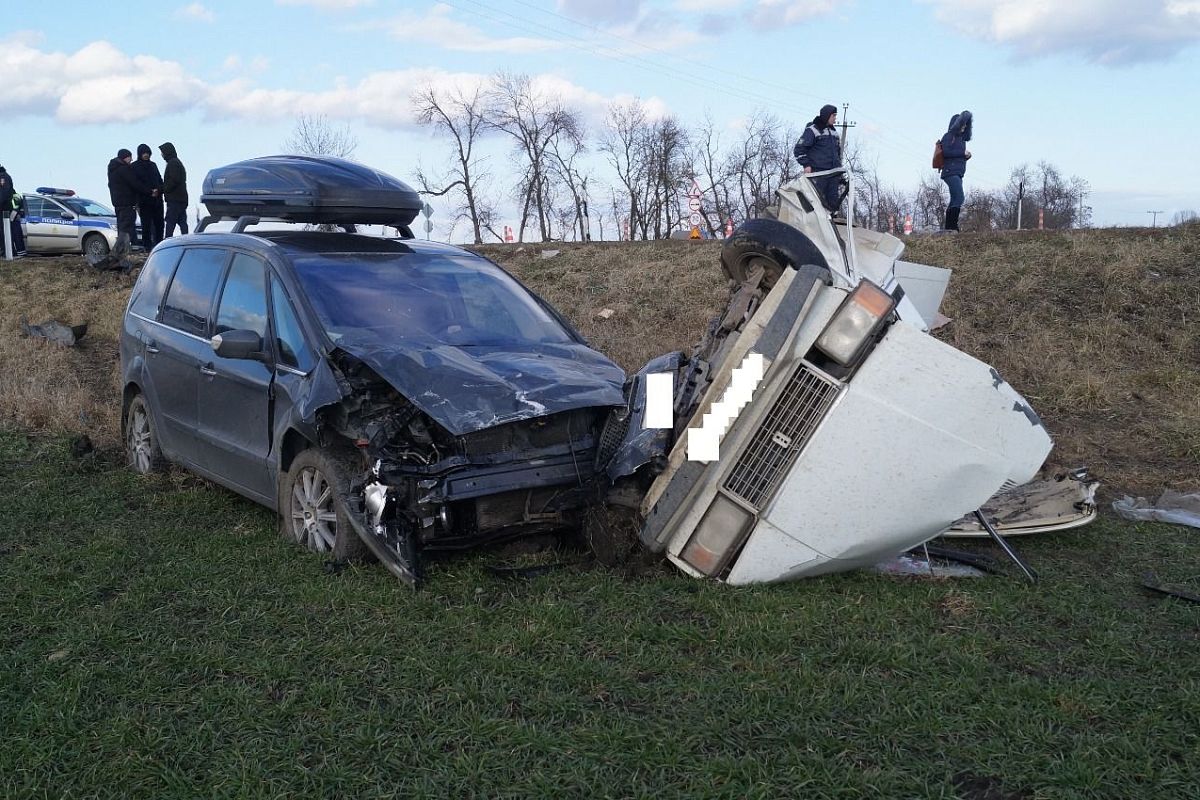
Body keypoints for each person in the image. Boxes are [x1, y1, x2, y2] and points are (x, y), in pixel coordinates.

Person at [794, 104, 843, 213]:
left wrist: (839, 173)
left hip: (833, 175)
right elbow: (799, 149)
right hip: (818, 174)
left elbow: (838, 154)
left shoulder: (834, 133)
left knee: (832, 205)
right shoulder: (812, 130)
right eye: (833, 116)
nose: (835, 119)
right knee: (815, 202)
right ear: (827, 116)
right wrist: (806, 164)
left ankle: (830, 224)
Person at [107, 148, 155, 248]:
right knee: (127, 225)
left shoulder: (112, 169)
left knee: (122, 225)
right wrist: (149, 191)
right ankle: (124, 247)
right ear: (125, 157)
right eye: (130, 157)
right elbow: (135, 183)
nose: (131, 159)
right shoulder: (124, 169)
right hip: (127, 201)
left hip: (117, 202)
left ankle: (129, 245)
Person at [939, 110, 973, 231]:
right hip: (950, 172)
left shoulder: (961, 140)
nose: (964, 127)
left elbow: (956, 156)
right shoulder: (948, 136)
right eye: (962, 124)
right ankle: (952, 226)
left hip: (957, 172)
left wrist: (966, 156)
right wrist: (962, 153)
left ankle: (949, 228)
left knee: (954, 199)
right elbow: (947, 152)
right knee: (959, 197)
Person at [131, 144, 165, 248]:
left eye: (147, 153)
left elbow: (160, 180)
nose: (146, 155)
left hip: (157, 200)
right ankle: (147, 247)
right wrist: (149, 192)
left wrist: (158, 190)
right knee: (146, 226)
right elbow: (136, 184)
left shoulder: (153, 165)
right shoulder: (135, 166)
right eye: (144, 153)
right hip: (144, 201)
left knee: (159, 224)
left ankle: (159, 245)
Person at [159, 141, 189, 237]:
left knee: (170, 222)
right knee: (182, 222)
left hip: (175, 199)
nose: (161, 155)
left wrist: (162, 189)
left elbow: (173, 180)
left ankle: (167, 242)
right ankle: (186, 240)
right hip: (181, 199)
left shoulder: (173, 163)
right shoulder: (176, 162)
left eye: (162, 152)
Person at [0, 165, 27, 257]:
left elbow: (3, 194)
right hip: (8, 212)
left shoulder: (3, 177)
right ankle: (8, 252)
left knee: (8, 232)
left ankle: (9, 253)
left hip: (7, 212)